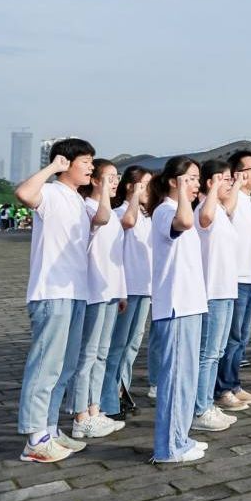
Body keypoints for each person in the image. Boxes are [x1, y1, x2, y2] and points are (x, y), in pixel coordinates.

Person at [14, 138, 96, 463]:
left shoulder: (79, 200)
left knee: (66, 367)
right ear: (66, 163)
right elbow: (24, 193)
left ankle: (49, 428)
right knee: (45, 366)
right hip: (51, 293)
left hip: (76, 292)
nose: (91, 167)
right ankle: (34, 439)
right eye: (85, 161)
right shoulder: (50, 192)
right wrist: (52, 168)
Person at [148, 156, 208, 463]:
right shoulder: (165, 210)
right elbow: (183, 223)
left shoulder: (180, 208)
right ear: (173, 181)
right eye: (190, 178)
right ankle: (169, 447)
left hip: (190, 303)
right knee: (175, 378)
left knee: (186, 377)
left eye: (197, 179)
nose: (196, 184)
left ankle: (180, 437)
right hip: (175, 305)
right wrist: (184, 193)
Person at [67, 159, 127, 438]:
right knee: (87, 355)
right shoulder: (89, 208)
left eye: (116, 178)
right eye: (109, 177)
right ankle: (80, 415)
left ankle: (94, 409)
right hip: (93, 293)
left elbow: (117, 258)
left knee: (101, 354)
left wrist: (121, 291)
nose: (115, 183)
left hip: (110, 291)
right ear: (94, 180)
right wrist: (103, 192)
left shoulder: (110, 213)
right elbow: (100, 219)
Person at [192, 160, 244, 431]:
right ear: (210, 182)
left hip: (226, 289)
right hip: (211, 291)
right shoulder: (205, 208)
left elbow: (229, 204)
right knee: (208, 353)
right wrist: (213, 187)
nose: (229, 184)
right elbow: (205, 218)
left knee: (217, 351)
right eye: (224, 179)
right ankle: (199, 409)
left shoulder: (222, 211)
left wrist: (234, 184)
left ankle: (207, 403)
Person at [101, 166, 153, 420]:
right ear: (132, 186)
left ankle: (122, 390)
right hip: (127, 289)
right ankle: (108, 400)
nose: (150, 190)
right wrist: (135, 196)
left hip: (144, 288)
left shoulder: (147, 216)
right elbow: (128, 223)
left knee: (132, 345)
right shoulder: (119, 213)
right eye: (145, 185)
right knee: (117, 346)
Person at [214, 150, 251, 411]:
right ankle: (222, 389)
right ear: (237, 173)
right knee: (231, 337)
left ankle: (233, 384)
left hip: (250, 277)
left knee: (241, 337)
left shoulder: (249, 202)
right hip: (235, 278)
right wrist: (233, 185)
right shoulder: (232, 200)